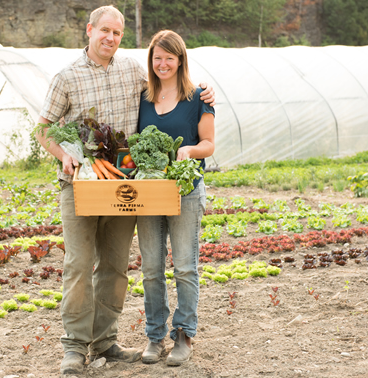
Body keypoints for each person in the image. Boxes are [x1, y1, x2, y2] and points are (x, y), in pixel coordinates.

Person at [35, 6, 215, 375]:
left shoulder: (133, 70)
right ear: (89, 30)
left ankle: (105, 341)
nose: (110, 38)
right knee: (79, 265)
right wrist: (63, 156)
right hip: (81, 184)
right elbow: (43, 129)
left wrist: (205, 91)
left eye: (117, 33)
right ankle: (74, 347)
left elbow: (173, 87)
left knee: (116, 266)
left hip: (124, 186)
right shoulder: (66, 77)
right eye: (104, 31)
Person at [136, 30, 215, 366]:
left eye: (169, 57)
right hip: (150, 193)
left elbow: (209, 144)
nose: (163, 63)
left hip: (185, 190)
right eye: (157, 57)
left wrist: (190, 150)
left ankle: (184, 335)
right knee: (152, 268)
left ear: (180, 59)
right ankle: (155, 337)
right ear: (151, 61)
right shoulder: (142, 96)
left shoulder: (199, 97)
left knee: (184, 266)